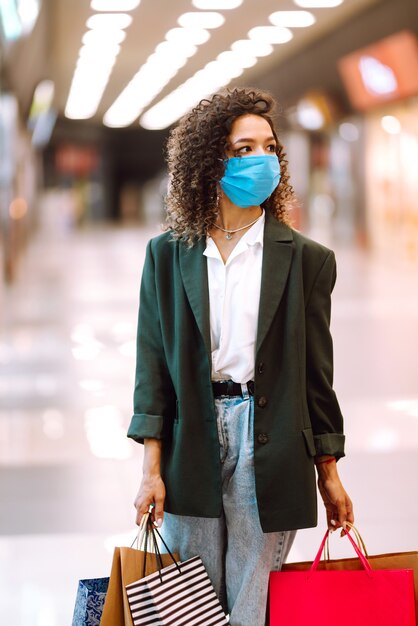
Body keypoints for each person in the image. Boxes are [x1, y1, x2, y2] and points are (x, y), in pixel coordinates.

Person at [127, 87, 354, 626]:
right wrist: (151, 470)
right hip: (194, 438)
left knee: (253, 606)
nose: (262, 159)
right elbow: (152, 366)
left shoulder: (307, 261)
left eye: (269, 147)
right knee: (193, 606)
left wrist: (330, 472)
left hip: (271, 439)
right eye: (243, 148)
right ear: (209, 161)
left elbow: (317, 377)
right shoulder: (168, 255)